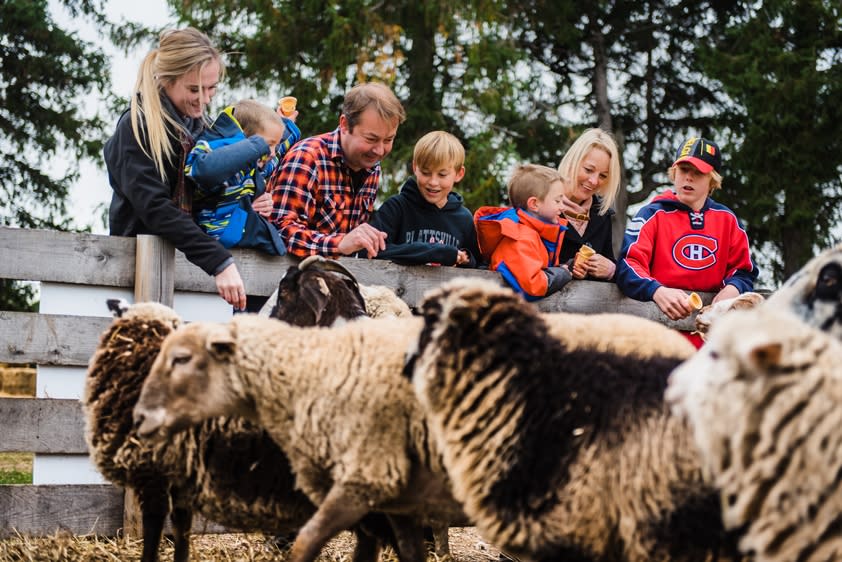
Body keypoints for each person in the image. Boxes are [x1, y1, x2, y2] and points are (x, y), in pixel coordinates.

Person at [104, 28, 247, 310]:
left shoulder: (203, 129)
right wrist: (218, 261)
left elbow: (211, 197)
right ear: (167, 81)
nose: (205, 99)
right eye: (194, 89)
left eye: (212, 88)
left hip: (191, 273)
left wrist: (249, 201)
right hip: (136, 271)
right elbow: (155, 208)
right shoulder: (137, 126)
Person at [616, 136, 759, 346]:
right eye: (683, 170)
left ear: (712, 179)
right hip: (656, 337)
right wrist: (657, 290)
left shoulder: (728, 220)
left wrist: (733, 288)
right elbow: (628, 264)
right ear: (674, 173)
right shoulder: (650, 214)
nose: (688, 178)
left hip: (710, 342)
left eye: (698, 172)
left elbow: (744, 270)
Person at [268, 82, 406, 258]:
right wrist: (340, 243)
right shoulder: (307, 158)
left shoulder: (371, 166)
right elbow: (279, 231)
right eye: (371, 139)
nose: (379, 150)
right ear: (345, 125)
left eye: (388, 140)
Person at [185, 99, 301, 255]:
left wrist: (286, 124)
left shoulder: (254, 163)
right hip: (218, 235)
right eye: (269, 144)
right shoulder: (217, 148)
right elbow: (201, 170)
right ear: (247, 140)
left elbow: (274, 157)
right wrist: (257, 146)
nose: (271, 151)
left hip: (238, 238)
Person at [366, 130, 480, 267]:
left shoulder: (464, 219)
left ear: (459, 174)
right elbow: (372, 252)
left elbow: (479, 265)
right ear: (415, 167)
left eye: (442, 175)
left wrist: (465, 259)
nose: (433, 182)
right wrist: (435, 253)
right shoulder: (396, 208)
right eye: (426, 173)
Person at [474, 164, 570, 300]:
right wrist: (562, 273)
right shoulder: (520, 238)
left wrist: (567, 267)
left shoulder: (536, 234)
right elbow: (533, 286)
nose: (563, 207)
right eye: (558, 201)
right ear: (534, 204)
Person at [557, 128, 622, 280]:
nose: (594, 181)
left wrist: (612, 270)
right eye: (588, 170)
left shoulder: (602, 215)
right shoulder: (541, 203)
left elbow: (610, 261)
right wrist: (566, 268)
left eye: (603, 175)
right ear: (573, 161)